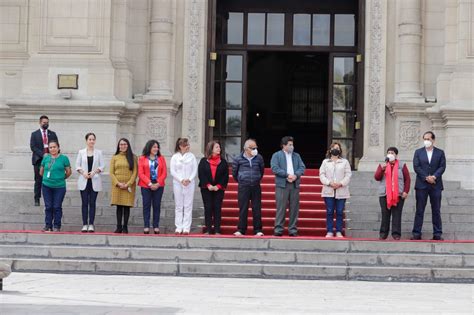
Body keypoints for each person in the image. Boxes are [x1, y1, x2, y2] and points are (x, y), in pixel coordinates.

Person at [411, 131, 446, 241]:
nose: (426, 141)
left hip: (436, 185)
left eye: (428, 139)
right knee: (419, 210)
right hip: (422, 185)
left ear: (433, 140)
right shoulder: (418, 152)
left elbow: (442, 167)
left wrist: (434, 177)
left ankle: (437, 233)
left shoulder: (440, 153)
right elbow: (416, 167)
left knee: (436, 210)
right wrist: (426, 177)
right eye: (424, 139)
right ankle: (416, 233)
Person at [270, 136, 306, 237]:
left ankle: (293, 230)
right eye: (289, 145)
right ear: (283, 145)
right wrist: (287, 175)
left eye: (292, 144)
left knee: (294, 208)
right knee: (281, 207)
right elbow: (274, 168)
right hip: (282, 184)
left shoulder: (296, 156)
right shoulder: (277, 155)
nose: (292, 146)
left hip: (294, 184)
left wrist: (296, 175)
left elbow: (302, 167)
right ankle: (278, 229)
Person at [374, 147, 411, 240]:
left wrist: (406, 191)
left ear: (396, 155)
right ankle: (383, 234)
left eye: (392, 153)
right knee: (385, 214)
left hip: (398, 194)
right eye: (389, 152)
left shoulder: (402, 165)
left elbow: (407, 179)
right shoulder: (383, 165)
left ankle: (396, 234)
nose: (390, 154)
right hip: (384, 194)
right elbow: (377, 177)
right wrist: (382, 169)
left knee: (397, 215)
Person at [232, 139, 265, 236]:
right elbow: (235, 173)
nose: (255, 149)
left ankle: (258, 229)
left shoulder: (259, 158)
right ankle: (241, 229)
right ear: (246, 149)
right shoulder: (238, 159)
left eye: (256, 147)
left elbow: (261, 171)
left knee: (257, 208)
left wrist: (256, 178)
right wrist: (242, 180)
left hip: (255, 185)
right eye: (253, 148)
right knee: (243, 208)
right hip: (243, 186)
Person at [319, 142, 352, 238]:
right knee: (329, 211)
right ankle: (329, 231)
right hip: (328, 190)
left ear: (340, 150)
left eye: (337, 148)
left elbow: (348, 175)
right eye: (333, 148)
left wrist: (340, 183)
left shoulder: (345, 162)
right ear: (330, 150)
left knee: (340, 211)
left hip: (341, 190)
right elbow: (321, 174)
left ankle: (338, 231)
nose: (335, 149)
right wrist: (329, 183)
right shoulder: (325, 162)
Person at [75, 133, 105, 233]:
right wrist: (83, 173)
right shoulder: (81, 152)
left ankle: (91, 224)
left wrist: (94, 172)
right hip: (84, 180)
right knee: (84, 203)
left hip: (94, 180)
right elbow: (77, 166)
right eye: (90, 139)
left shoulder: (99, 153)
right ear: (86, 140)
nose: (91, 141)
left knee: (92, 203)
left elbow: (102, 166)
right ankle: (84, 224)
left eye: (93, 139)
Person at [39, 140, 71, 232]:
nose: (52, 149)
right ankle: (48, 225)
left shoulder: (64, 158)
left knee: (57, 206)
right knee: (48, 206)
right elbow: (41, 171)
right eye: (50, 147)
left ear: (58, 148)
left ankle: (57, 225)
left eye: (54, 147)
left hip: (59, 186)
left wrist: (60, 178)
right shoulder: (46, 158)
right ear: (48, 149)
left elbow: (68, 172)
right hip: (46, 186)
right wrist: (47, 179)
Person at [198, 140, 229, 235]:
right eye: (217, 147)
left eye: (219, 147)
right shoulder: (203, 161)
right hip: (206, 188)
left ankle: (217, 230)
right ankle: (208, 229)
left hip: (218, 189)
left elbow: (225, 176)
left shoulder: (223, 162)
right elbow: (201, 174)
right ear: (211, 149)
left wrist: (218, 186)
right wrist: (208, 185)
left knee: (217, 208)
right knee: (208, 208)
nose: (219, 149)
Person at [138, 140, 167, 234]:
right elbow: (141, 173)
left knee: (156, 205)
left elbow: (164, 173)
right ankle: (146, 226)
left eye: (157, 147)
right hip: (146, 186)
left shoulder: (161, 158)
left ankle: (156, 226)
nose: (156, 149)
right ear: (149, 147)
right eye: (154, 147)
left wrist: (158, 183)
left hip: (159, 185)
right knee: (146, 205)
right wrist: (150, 184)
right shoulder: (142, 158)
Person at [110, 138, 138, 234]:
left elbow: (135, 172)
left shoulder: (133, 157)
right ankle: (119, 227)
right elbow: (111, 172)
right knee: (119, 207)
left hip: (128, 186)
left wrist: (128, 184)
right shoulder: (115, 157)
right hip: (117, 185)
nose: (123, 146)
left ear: (128, 145)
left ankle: (125, 227)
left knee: (126, 207)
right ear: (118, 146)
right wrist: (118, 183)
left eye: (125, 144)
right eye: (121, 144)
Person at [170, 138, 197, 235]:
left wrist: (189, 179)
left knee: (188, 205)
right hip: (178, 183)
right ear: (180, 146)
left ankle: (186, 227)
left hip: (189, 183)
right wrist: (181, 180)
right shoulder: (174, 157)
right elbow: (173, 171)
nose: (188, 147)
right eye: (186, 145)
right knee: (179, 205)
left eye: (188, 144)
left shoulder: (192, 157)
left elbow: (194, 170)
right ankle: (178, 227)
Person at [30, 115, 58, 206]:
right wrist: (43, 154)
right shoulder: (34, 134)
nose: (46, 124)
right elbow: (33, 147)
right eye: (44, 122)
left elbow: (57, 146)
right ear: (40, 122)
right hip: (38, 160)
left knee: (50, 178)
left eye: (47, 122)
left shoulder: (52, 134)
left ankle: (50, 198)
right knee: (38, 180)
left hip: (51, 160)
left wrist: (53, 155)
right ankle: (37, 198)